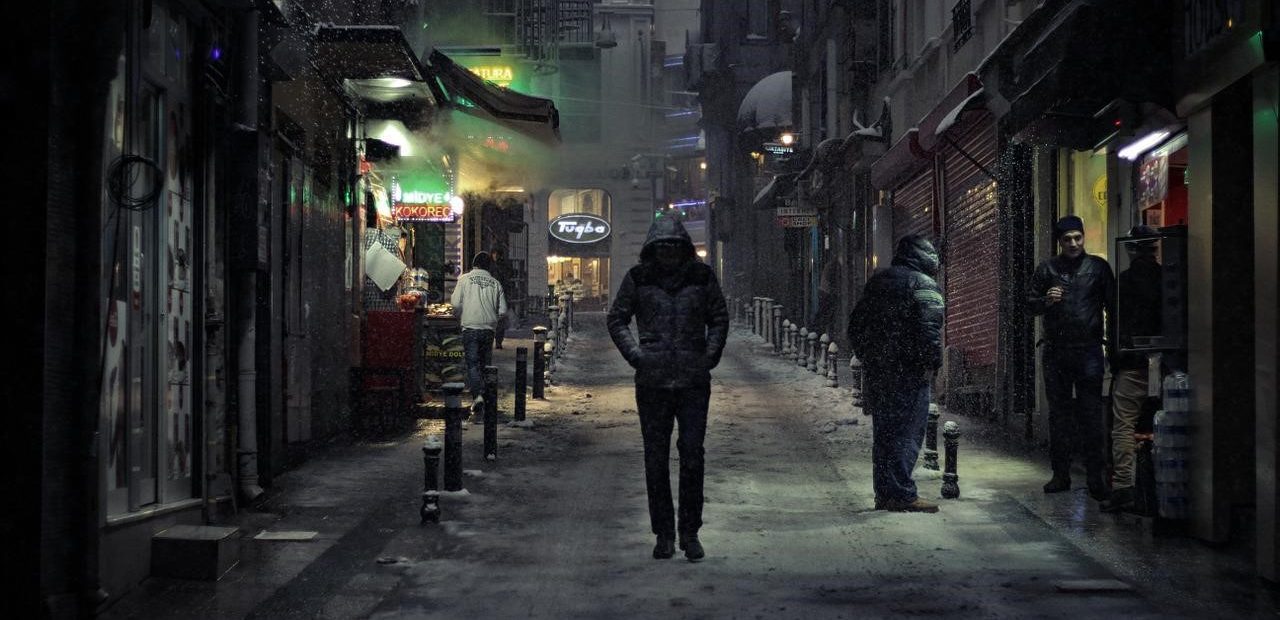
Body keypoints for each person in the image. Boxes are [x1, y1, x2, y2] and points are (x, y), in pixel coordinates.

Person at [607, 217, 728, 562]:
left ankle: (689, 533)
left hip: (692, 380)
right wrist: (637, 356)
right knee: (655, 459)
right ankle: (663, 533)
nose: (669, 251)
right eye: (663, 245)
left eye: (675, 245)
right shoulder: (638, 278)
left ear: (684, 247)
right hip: (653, 381)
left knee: (692, 456)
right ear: (653, 248)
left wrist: (708, 356)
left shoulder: (701, 277)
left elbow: (718, 317)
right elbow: (617, 318)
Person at [847, 234, 946, 513]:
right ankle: (902, 494)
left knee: (885, 435)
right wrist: (930, 365)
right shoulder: (924, 285)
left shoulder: (879, 281)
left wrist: (870, 357)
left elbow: (855, 325)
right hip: (910, 373)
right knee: (907, 434)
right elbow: (930, 333)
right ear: (924, 255)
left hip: (880, 373)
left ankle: (885, 493)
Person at [1030, 215, 1116, 501]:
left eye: (1077, 237)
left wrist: (1115, 348)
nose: (1073, 243)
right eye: (1067, 239)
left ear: (1084, 237)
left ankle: (1096, 478)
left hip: (1089, 349)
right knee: (1059, 416)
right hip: (1055, 352)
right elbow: (1027, 304)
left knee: (1092, 415)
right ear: (1059, 241)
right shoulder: (1047, 269)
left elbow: (1114, 308)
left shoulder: (1098, 268)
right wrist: (1045, 301)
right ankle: (1060, 475)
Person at [1102, 226, 1162, 513]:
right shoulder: (1167, 278)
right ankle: (1160, 485)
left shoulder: (1123, 283)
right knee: (1161, 423)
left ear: (1130, 249)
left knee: (1124, 425)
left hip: (1132, 363)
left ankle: (1125, 486)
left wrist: (1115, 360)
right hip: (1164, 363)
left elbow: (1115, 326)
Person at [450, 252, 508, 412]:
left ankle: (477, 397)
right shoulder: (495, 283)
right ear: (489, 266)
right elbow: (503, 310)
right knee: (485, 364)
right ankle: (486, 394)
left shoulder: (464, 279)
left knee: (473, 364)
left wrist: (463, 311)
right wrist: (492, 317)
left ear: (474, 264)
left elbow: (454, 303)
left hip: (470, 328)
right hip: (488, 330)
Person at [362, 211, 403, 312]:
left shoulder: (352, 237)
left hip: (358, 306)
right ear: (378, 219)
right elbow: (392, 284)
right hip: (382, 309)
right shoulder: (386, 240)